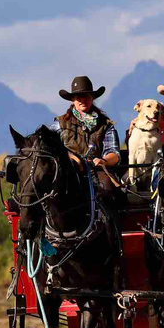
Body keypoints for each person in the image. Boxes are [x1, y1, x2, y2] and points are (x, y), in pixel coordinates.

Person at [50, 76, 124, 285]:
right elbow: (51, 149)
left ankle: (114, 242)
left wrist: (103, 160)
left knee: (109, 190)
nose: (82, 99)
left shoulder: (106, 125)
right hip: (68, 175)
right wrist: (71, 159)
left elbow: (115, 154)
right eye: (78, 97)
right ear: (72, 100)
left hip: (97, 172)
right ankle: (46, 246)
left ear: (92, 98)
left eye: (86, 96)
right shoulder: (59, 124)